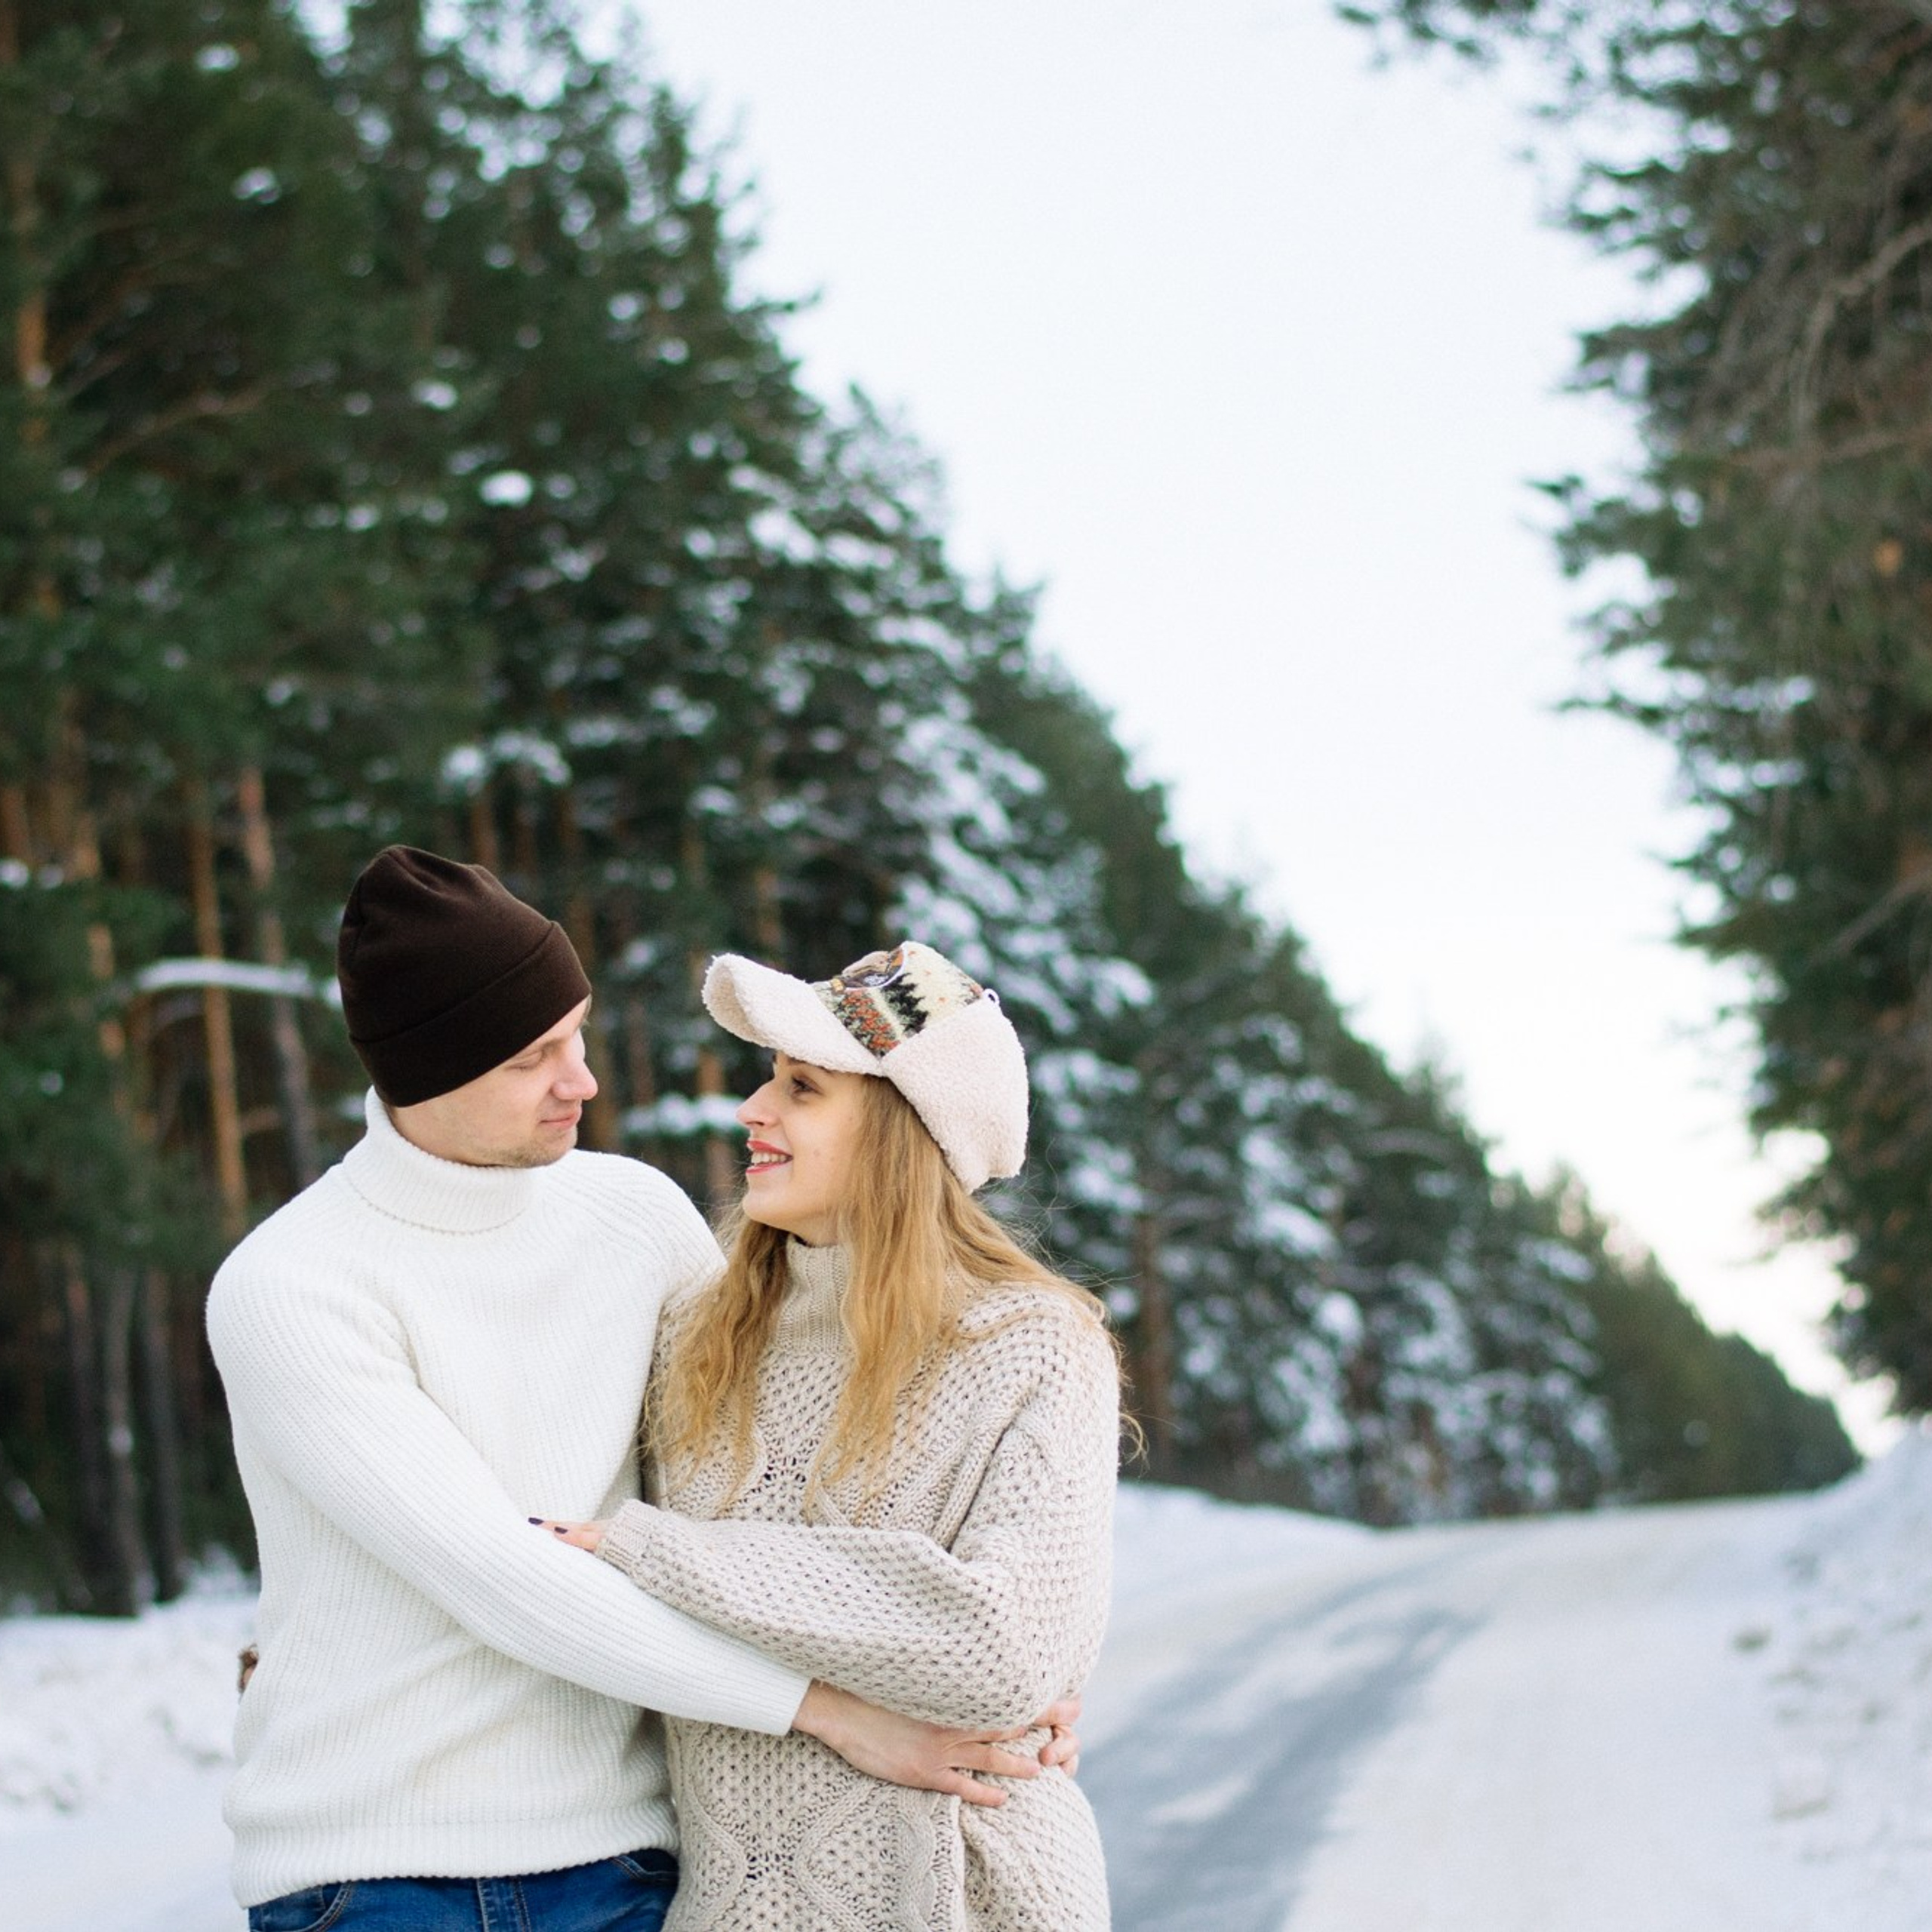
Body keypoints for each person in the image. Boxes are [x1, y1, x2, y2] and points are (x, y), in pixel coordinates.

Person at [207, 850, 1072, 1932]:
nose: (584, 1080)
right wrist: (834, 1715)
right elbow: (505, 1575)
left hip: (633, 1863)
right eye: (534, 1058)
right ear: (425, 1071)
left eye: (575, 1034)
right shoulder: (292, 1285)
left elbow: (780, 1492)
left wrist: (991, 1672)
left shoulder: (636, 1218)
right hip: (383, 1868)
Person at [539, 940, 1121, 1930]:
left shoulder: (1034, 1345)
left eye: (803, 1088)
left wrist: (661, 1553)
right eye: (771, 1080)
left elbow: (1002, 1649)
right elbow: (569, 1573)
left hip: (972, 1900)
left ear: (903, 1130)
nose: (753, 1111)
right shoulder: (694, 1334)